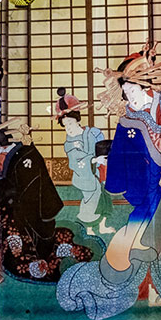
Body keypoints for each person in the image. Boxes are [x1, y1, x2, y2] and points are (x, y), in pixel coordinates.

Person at [57, 41, 161, 320]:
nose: (128, 95)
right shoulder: (127, 122)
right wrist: (113, 183)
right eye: (124, 90)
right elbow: (120, 157)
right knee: (135, 240)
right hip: (146, 191)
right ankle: (120, 286)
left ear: (146, 85)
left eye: (131, 89)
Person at [0, 119, 92, 283]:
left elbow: (28, 188)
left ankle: (45, 262)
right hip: (8, 216)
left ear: (0, 141)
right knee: (8, 244)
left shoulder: (25, 154)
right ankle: (28, 264)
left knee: (36, 243)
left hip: (31, 210)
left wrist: (1, 192)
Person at [55, 87, 114, 235]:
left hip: (99, 171)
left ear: (77, 120)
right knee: (91, 198)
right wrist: (93, 160)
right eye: (65, 125)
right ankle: (88, 228)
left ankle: (102, 226)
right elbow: (76, 161)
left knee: (104, 196)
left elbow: (101, 147)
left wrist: (103, 158)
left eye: (70, 123)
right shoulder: (69, 144)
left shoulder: (92, 132)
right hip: (84, 176)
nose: (68, 128)